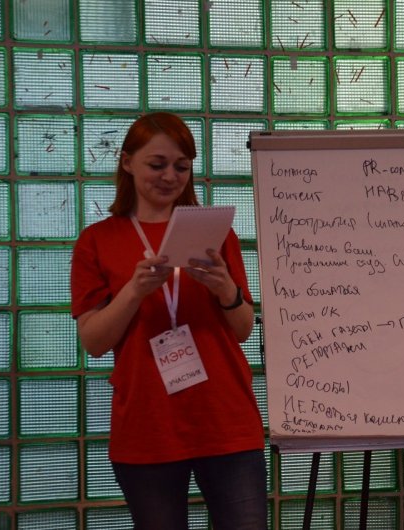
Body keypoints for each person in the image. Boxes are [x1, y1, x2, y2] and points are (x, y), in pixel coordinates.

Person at [70, 112, 266, 530]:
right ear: (127, 162)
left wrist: (225, 290)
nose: (170, 176)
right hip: (147, 426)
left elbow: (244, 329)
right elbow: (93, 342)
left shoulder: (215, 232)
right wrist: (134, 291)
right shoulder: (97, 240)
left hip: (226, 418)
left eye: (182, 166)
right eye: (157, 164)